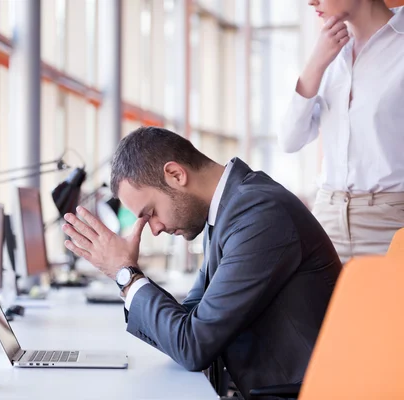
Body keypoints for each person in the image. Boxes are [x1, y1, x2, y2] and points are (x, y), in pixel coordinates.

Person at [61, 127, 342, 399]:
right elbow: (189, 320)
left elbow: (193, 345)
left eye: (152, 213)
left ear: (175, 174)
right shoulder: (227, 211)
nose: (155, 229)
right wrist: (127, 273)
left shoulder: (259, 215)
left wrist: (126, 275)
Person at [279, 1, 404, 264]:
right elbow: (290, 140)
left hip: (391, 223)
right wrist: (315, 65)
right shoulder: (329, 51)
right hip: (326, 219)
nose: (311, 1)